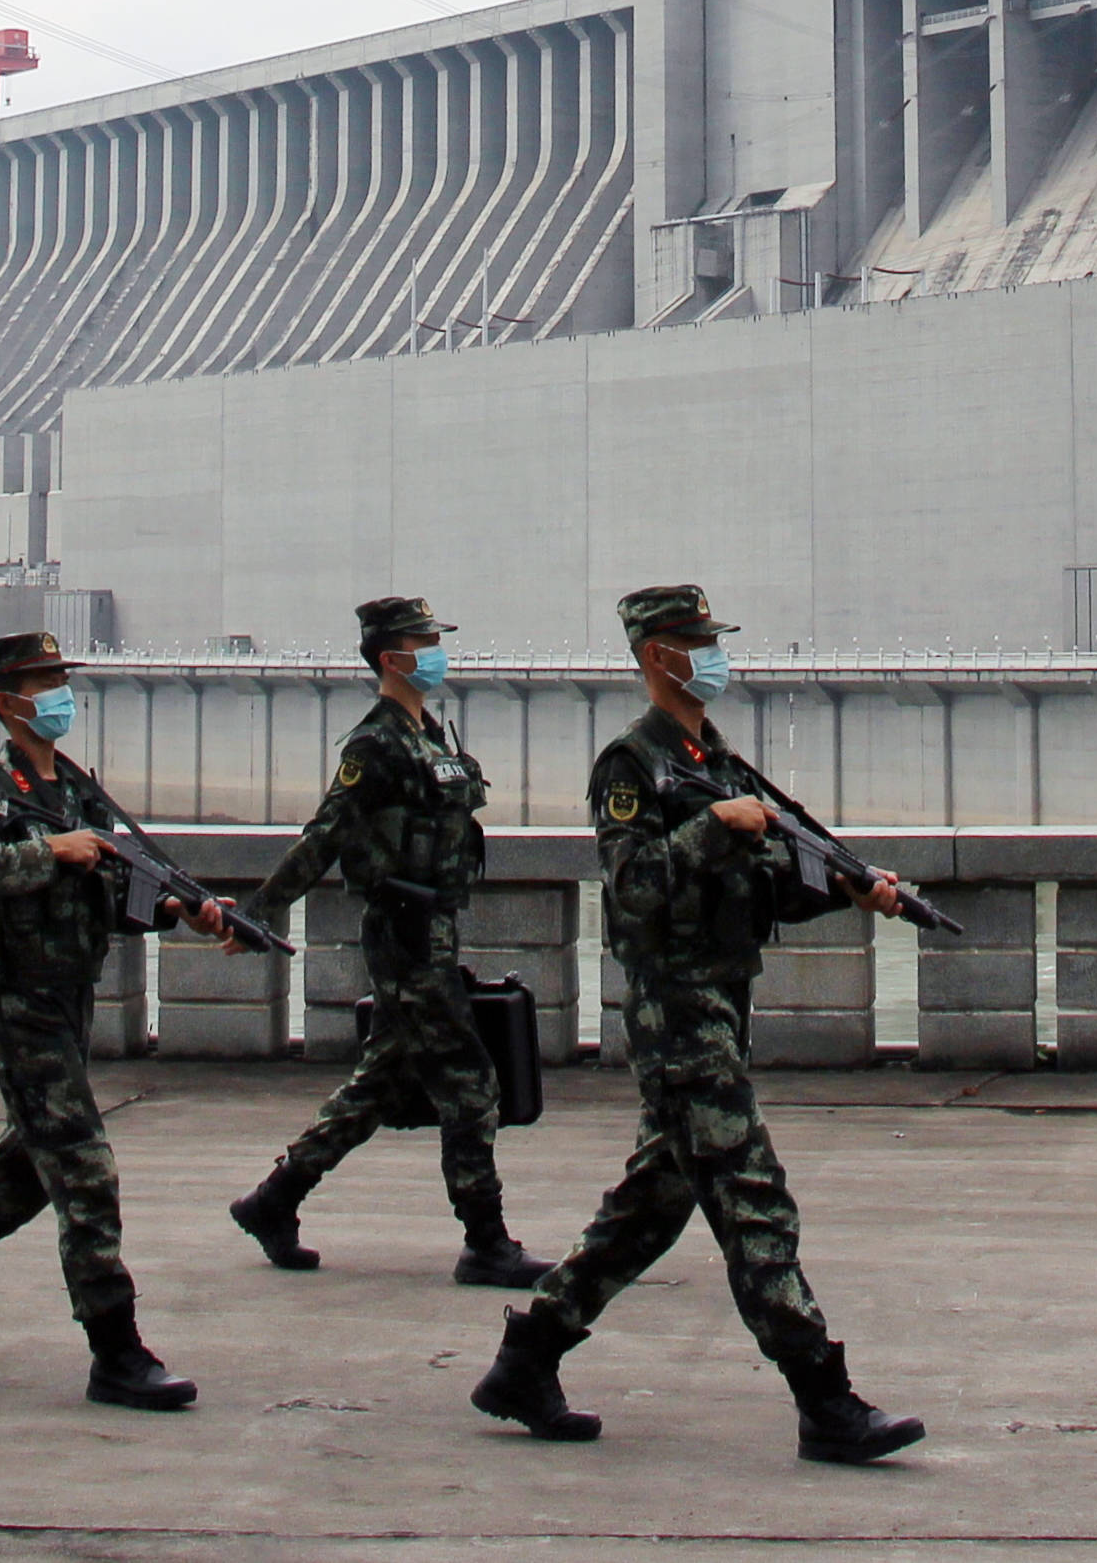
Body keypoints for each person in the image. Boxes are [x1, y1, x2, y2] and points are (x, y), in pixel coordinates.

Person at [470, 585, 927, 1464]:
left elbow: (762, 888)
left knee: (651, 1205)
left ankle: (527, 1360)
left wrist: (849, 888)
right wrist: (713, 830)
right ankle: (824, 1400)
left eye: (714, 638)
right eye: (695, 642)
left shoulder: (715, 760)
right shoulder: (632, 767)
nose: (712, 654)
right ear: (655, 655)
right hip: (676, 1015)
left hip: (721, 1002)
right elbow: (633, 892)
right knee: (753, 1197)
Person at [0, 630, 245, 1409]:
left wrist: (180, 911)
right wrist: (51, 851)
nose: (60, 693)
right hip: (21, 1005)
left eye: (63, 678)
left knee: (30, 1173)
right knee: (85, 1170)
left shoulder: (79, 792)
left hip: (71, 1000)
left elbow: (111, 892)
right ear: (7, 701)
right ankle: (117, 1351)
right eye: (44, 681)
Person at [226, 596, 550, 1287]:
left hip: (433, 926)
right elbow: (327, 835)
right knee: (469, 1085)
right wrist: (262, 912)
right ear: (391, 655)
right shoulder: (375, 744)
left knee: (379, 1085)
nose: (436, 651)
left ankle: (273, 1200)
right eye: (424, 640)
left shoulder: (430, 735)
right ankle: (486, 1242)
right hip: (404, 929)